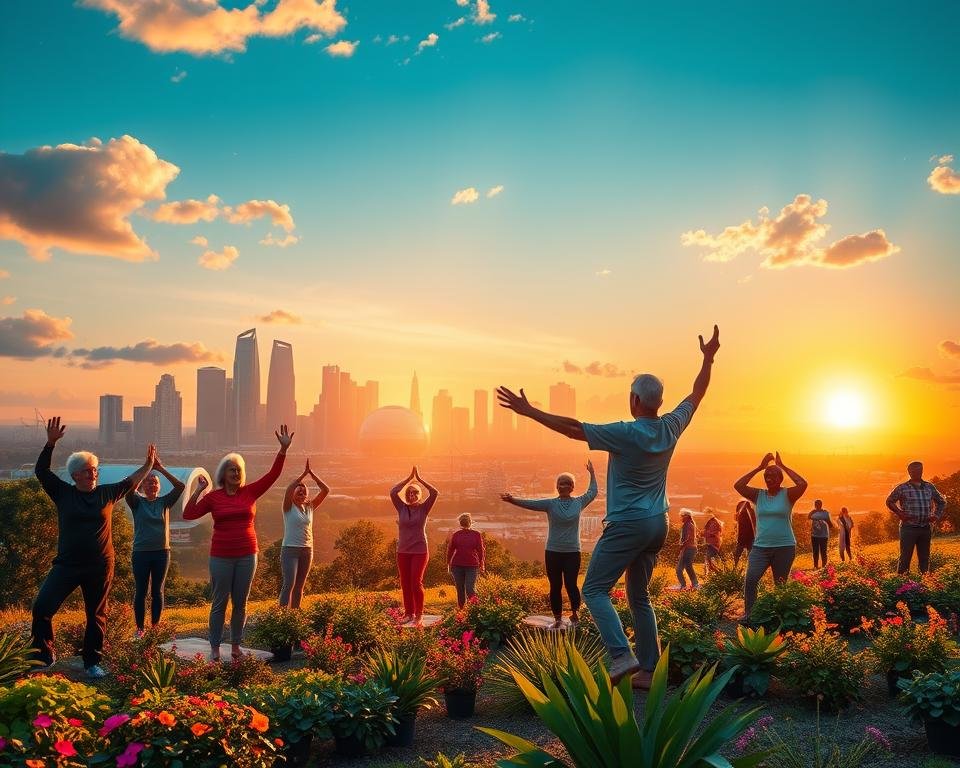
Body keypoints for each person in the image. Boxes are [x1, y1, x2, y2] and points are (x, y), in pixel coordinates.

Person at [497, 325, 720, 688]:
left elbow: (573, 428)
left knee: (594, 590)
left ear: (634, 400)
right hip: (657, 523)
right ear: (658, 402)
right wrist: (708, 358)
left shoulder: (626, 432)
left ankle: (621, 654)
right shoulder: (671, 426)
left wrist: (530, 411)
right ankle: (649, 670)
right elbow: (698, 392)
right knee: (639, 596)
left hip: (628, 524)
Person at [32, 417, 156, 679]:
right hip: (66, 565)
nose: (94, 474)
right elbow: (41, 471)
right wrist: (50, 443)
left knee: (96, 615)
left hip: (100, 565)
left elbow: (130, 482)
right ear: (76, 474)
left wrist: (147, 465)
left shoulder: (106, 493)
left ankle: (92, 663)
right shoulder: (63, 493)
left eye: (95, 470)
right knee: (42, 607)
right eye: (88, 470)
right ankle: (44, 654)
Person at [183, 425, 292, 661]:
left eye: (239, 470)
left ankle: (235, 646)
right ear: (223, 474)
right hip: (221, 555)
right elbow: (189, 514)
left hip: (247, 554)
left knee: (241, 603)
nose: (236, 473)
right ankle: (214, 646)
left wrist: (282, 450)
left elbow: (273, 475)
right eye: (232, 470)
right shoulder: (213, 497)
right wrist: (199, 490)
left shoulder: (250, 492)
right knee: (220, 602)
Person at [501, 461, 599, 627]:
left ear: (572, 487)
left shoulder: (579, 502)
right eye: (561, 483)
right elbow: (530, 503)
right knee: (555, 585)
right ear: (557, 486)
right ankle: (558, 618)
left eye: (567, 483)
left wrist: (592, 472)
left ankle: (575, 614)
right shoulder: (550, 504)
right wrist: (512, 500)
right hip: (553, 551)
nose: (564, 486)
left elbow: (593, 491)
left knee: (571, 584)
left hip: (572, 551)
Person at [733, 452, 808, 625]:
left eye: (773, 475)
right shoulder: (758, 495)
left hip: (785, 546)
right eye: (766, 475)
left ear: (780, 478)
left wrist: (783, 466)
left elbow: (802, 483)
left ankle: (780, 617)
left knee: (780, 585)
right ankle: (749, 614)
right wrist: (759, 468)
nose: (769, 478)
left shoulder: (788, 495)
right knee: (751, 579)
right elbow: (739, 484)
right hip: (760, 548)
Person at [125, 457, 185, 636]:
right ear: (142, 486)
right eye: (148, 482)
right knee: (141, 591)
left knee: (157, 591)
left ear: (159, 486)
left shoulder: (164, 502)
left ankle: (155, 627)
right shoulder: (136, 502)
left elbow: (180, 486)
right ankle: (140, 629)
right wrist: (147, 469)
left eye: (155, 482)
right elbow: (129, 487)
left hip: (161, 553)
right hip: (141, 553)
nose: (152, 485)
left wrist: (160, 468)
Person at [390, 466, 439, 625]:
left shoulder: (424, 508)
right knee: (405, 582)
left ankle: (419, 614)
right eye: (409, 493)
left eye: (415, 493)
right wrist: (408, 479)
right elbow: (392, 492)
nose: (412, 495)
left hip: (419, 550)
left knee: (416, 582)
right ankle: (408, 613)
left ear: (419, 495)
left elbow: (434, 493)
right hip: (403, 550)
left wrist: (419, 479)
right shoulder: (401, 507)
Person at [279, 459, 329, 609]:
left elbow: (326, 490)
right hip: (290, 550)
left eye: (303, 490)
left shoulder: (310, 507)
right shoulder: (288, 507)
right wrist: (302, 476)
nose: (301, 491)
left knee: (299, 586)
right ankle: (280, 617)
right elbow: (288, 490)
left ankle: (295, 615)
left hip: (307, 550)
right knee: (289, 584)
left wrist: (312, 474)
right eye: (298, 490)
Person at [886, 461, 946, 574]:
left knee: (924, 559)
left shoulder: (929, 487)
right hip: (908, 528)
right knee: (905, 559)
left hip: (925, 528)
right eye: (914, 471)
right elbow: (889, 501)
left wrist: (936, 515)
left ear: (922, 470)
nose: (918, 472)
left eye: (920, 470)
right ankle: (902, 586)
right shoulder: (902, 488)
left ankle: (924, 585)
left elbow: (942, 502)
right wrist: (900, 513)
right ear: (909, 472)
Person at [446, 513, 485, 609]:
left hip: (471, 566)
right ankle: (462, 611)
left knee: (469, 588)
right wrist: (448, 563)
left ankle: (475, 609)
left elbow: (480, 550)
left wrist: (482, 563)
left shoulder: (476, 535)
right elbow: (450, 549)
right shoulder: (456, 535)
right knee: (460, 589)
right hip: (457, 566)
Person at [807, 499, 834, 569]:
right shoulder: (823, 513)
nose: (817, 506)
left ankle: (822, 567)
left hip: (821, 535)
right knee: (819, 552)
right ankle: (819, 566)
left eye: (817, 505)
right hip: (817, 535)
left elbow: (830, 523)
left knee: (821, 552)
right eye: (816, 505)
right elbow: (808, 517)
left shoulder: (824, 513)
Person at [675, 511, 698, 590]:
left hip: (688, 548)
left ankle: (683, 585)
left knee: (679, 569)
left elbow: (687, 539)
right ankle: (695, 584)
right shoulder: (689, 524)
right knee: (688, 567)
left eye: (682, 516)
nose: (681, 517)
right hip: (690, 548)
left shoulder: (687, 525)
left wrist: (680, 547)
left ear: (687, 516)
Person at [733, 500, 756, 568]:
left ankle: (748, 568)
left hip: (750, 538)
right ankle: (735, 568)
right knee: (737, 555)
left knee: (749, 556)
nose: (743, 508)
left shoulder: (751, 513)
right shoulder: (739, 515)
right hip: (742, 538)